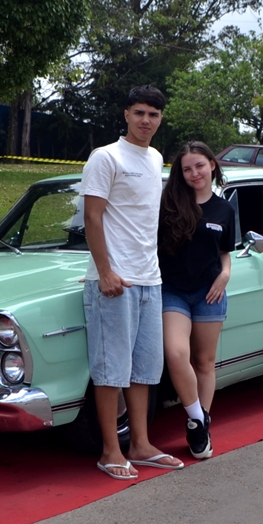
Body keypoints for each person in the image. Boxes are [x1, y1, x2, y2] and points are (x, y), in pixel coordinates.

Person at [81, 85, 183, 480]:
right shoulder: (106, 157)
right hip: (115, 280)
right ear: (126, 114)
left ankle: (140, 444)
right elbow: (92, 217)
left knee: (144, 369)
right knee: (112, 369)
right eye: (139, 112)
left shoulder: (155, 158)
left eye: (153, 114)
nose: (146, 120)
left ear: (161, 119)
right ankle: (110, 451)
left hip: (149, 278)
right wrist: (105, 271)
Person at [159, 141, 235, 461]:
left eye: (200, 166)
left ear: (212, 165)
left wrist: (225, 274)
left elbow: (224, 252)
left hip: (209, 293)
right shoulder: (168, 204)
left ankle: (200, 425)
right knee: (177, 354)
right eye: (187, 169)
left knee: (204, 362)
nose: (194, 173)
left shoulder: (224, 209)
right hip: (173, 290)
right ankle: (197, 419)